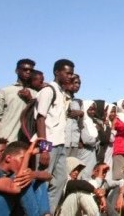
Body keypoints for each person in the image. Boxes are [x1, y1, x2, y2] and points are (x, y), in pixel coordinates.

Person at [37, 58, 75, 211]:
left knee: (59, 180)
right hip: (49, 144)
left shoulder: (61, 93)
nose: (69, 77)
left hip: (60, 144)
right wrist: (44, 148)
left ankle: (48, 212)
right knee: (43, 182)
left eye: (71, 74)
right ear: (57, 73)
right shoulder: (48, 91)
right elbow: (41, 118)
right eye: (67, 73)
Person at [0, 139, 53, 216]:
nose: (26, 163)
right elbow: (14, 188)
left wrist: (34, 175)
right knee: (21, 179)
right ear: (8, 158)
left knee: (37, 179)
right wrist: (28, 154)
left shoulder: (15, 173)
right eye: (23, 159)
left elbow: (49, 176)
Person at [0, 59, 37, 143]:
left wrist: (30, 99)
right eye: (25, 70)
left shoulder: (36, 94)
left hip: (26, 143)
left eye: (31, 70)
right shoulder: (5, 91)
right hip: (6, 139)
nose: (28, 72)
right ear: (17, 71)